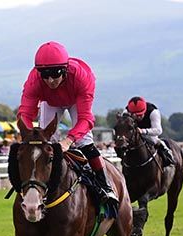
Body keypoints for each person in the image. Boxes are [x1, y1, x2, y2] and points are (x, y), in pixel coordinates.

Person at [17, 41, 117, 204]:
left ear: (64, 70)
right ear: (38, 73)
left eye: (55, 74)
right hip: (49, 101)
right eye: (45, 75)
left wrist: (68, 140)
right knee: (45, 141)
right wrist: (29, 135)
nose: (50, 80)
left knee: (84, 141)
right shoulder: (34, 80)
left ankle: (106, 187)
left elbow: (86, 119)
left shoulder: (81, 77)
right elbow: (25, 113)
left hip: (76, 99)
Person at [124, 96, 174, 167]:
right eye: (136, 115)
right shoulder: (126, 112)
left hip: (149, 134)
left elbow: (158, 130)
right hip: (133, 136)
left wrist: (143, 131)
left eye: (141, 115)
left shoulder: (153, 112)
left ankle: (167, 154)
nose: (139, 118)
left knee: (153, 140)